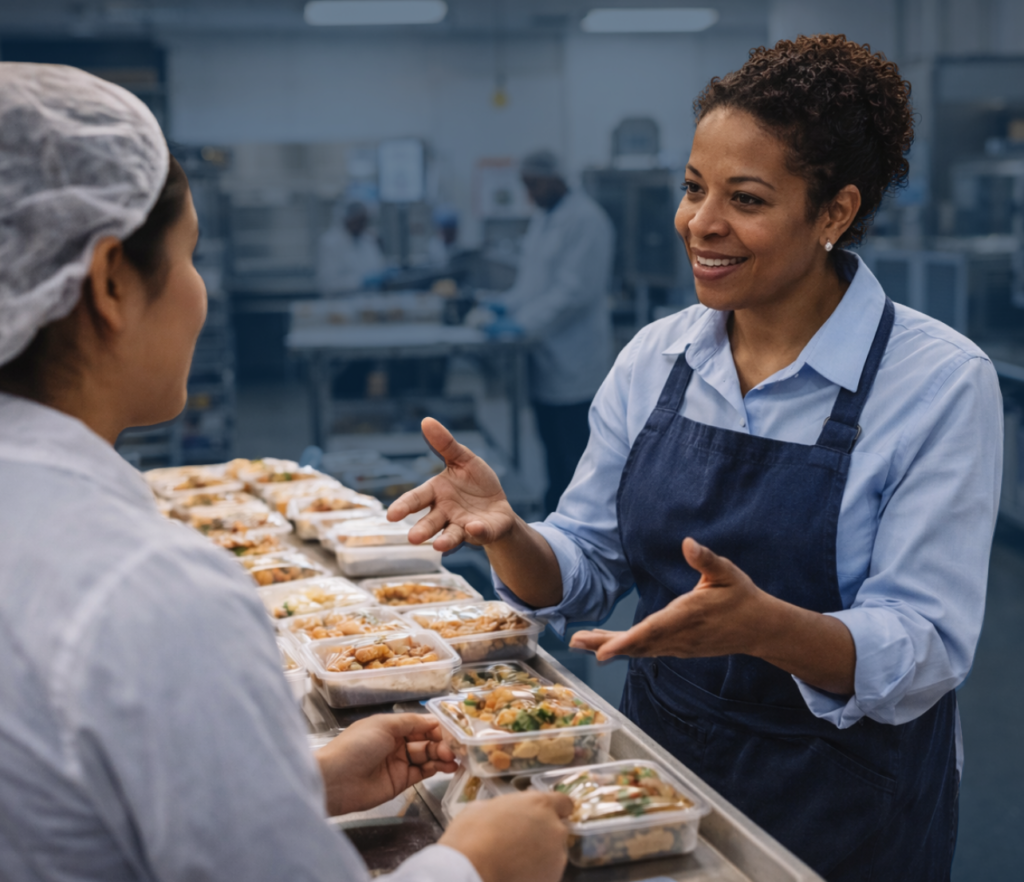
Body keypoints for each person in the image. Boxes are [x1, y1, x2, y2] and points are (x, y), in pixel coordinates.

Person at [389, 36, 1003, 882]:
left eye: (745, 199)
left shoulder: (934, 382)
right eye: (693, 188)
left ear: (834, 213)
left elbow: (923, 646)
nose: (699, 223)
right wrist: (510, 535)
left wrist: (766, 629)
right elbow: (588, 561)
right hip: (657, 766)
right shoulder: (658, 356)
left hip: (847, 797)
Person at [0, 63, 571, 882]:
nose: (200, 295)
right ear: (110, 283)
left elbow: (61, 809)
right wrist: (475, 865)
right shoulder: (149, 592)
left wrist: (294, 783)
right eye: (189, 256)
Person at [500, 150, 615, 514]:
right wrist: (506, 305)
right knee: (551, 449)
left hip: (576, 360)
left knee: (576, 459)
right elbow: (532, 282)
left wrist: (523, 323)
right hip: (545, 359)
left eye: (534, 184)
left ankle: (581, 533)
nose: (530, 193)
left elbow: (573, 293)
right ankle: (554, 526)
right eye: (526, 186)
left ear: (555, 178)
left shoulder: (587, 220)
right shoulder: (543, 218)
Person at [316, 200, 387, 294]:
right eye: (359, 221)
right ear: (348, 219)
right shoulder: (330, 243)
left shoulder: (368, 240)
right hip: (341, 305)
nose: (362, 226)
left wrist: (384, 273)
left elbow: (378, 267)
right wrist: (360, 281)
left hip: (370, 303)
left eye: (365, 221)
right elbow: (328, 284)